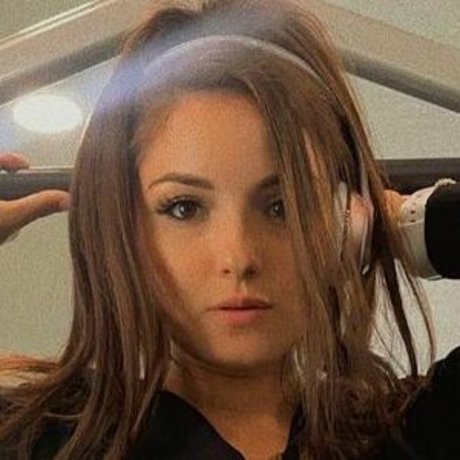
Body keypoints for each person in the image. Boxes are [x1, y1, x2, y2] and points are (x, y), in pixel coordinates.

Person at [0, 0, 459, 458]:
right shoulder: (36, 441)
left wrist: (417, 222)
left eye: (283, 207)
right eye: (184, 208)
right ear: (123, 229)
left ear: (347, 225)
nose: (238, 257)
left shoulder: (413, 436)